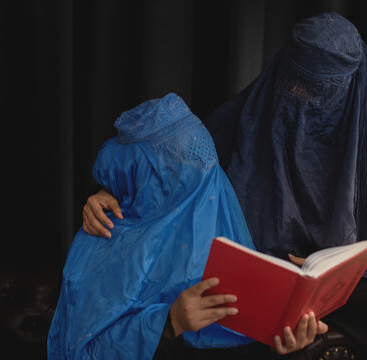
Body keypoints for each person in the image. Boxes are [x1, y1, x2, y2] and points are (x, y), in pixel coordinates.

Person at [82, 13, 367, 360]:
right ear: (278, 69)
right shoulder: (240, 123)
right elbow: (169, 174)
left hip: (316, 290)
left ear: (347, 95)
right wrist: (109, 193)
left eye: (318, 93)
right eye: (294, 83)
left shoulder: (355, 145)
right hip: (240, 285)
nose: (301, 99)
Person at [47, 93, 327, 360]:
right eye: (177, 172)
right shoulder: (102, 233)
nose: (202, 188)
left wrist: (286, 343)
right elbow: (82, 350)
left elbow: (242, 342)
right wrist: (170, 323)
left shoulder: (224, 229)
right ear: (143, 176)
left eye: (202, 168)